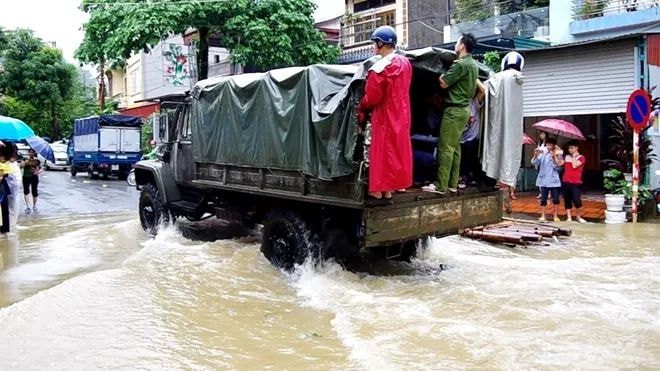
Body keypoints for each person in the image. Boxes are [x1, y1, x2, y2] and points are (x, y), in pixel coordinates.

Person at [358, 25, 413, 200]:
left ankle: (377, 190)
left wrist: (362, 105)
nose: (373, 46)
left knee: (378, 151)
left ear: (381, 43)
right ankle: (389, 189)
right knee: (397, 151)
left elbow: (372, 97)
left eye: (375, 43)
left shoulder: (380, 68)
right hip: (402, 113)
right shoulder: (405, 63)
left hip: (383, 115)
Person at [422, 33, 478, 194]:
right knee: (455, 148)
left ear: (462, 46)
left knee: (445, 147)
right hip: (464, 110)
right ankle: (452, 183)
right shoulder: (473, 64)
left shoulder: (460, 64)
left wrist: (439, 74)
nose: (455, 45)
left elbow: (444, 83)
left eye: (457, 42)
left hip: (454, 110)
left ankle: (440, 185)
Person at [481, 51, 525, 198]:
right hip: (513, 124)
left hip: (498, 120)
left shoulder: (499, 77)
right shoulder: (519, 80)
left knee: (495, 146)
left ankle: (490, 177)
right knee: (509, 148)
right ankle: (506, 178)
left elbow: (486, 91)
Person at [459, 80, 486, 188]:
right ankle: (462, 177)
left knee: (471, 157)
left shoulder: (473, 103)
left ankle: (471, 178)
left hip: (472, 138)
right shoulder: (457, 105)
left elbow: (483, 90)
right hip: (460, 139)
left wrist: (473, 77)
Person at [532, 137, 562, 222]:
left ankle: (555, 215)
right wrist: (535, 155)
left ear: (554, 145)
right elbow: (536, 163)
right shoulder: (543, 153)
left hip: (553, 180)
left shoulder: (558, 153)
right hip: (544, 180)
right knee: (543, 199)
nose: (548, 146)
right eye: (547, 144)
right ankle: (543, 215)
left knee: (556, 199)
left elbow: (558, 167)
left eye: (550, 145)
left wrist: (554, 157)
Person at [558, 140, 587, 223]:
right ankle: (569, 217)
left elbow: (574, 166)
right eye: (569, 148)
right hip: (566, 181)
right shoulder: (566, 156)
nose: (570, 150)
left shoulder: (581, 157)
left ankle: (578, 217)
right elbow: (559, 164)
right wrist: (557, 155)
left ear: (576, 148)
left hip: (576, 182)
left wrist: (574, 156)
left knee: (577, 200)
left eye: (572, 148)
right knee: (567, 200)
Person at [21, 149, 42, 214]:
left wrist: (37, 172)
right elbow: (21, 166)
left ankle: (34, 206)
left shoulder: (37, 160)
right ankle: (28, 207)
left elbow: (41, 168)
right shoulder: (24, 159)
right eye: (30, 152)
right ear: (28, 153)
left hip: (34, 177)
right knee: (26, 191)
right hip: (26, 177)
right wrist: (25, 162)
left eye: (32, 152)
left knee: (34, 191)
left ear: (34, 153)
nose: (31, 154)